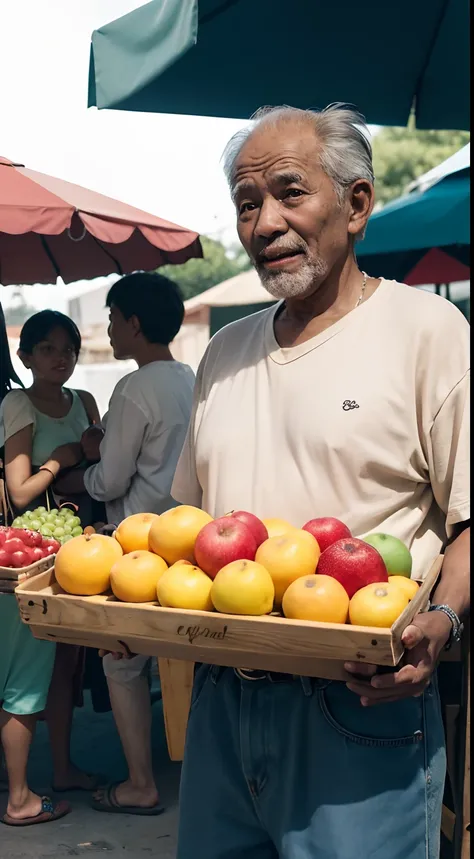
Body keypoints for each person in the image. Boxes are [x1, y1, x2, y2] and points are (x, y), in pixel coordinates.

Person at [171, 104, 470, 859]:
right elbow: (185, 521)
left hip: (359, 704)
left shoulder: (428, 332)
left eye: (290, 192)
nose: (264, 221)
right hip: (220, 695)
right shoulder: (223, 351)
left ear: (358, 204)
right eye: (247, 203)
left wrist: (444, 620)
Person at [73, 272, 195, 816]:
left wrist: (82, 468)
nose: (109, 329)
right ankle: (196, 775)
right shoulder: (192, 376)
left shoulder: (133, 388)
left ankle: (141, 784)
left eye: (113, 319)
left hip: (141, 542)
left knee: (121, 661)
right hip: (193, 540)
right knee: (189, 660)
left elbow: (114, 479)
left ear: (134, 323)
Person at [0, 309, 101, 825]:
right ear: (25, 356)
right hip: (31, 558)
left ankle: (63, 769)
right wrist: (62, 460)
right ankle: (19, 794)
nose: (61, 358)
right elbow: (20, 492)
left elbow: (103, 468)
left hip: (81, 552)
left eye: (69, 349)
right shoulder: (18, 402)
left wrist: (90, 454)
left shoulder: (83, 401)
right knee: (26, 675)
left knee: (66, 670)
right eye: (48, 349)